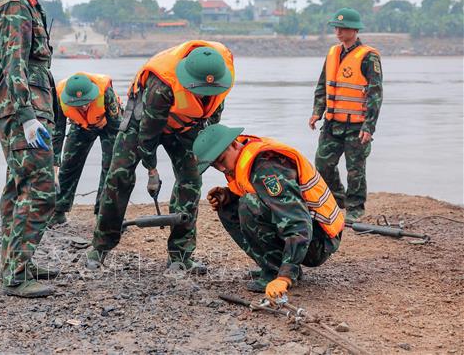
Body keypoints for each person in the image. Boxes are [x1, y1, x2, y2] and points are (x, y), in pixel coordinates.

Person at [86, 41, 235, 273]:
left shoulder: (220, 75)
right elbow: (148, 135)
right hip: (142, 121)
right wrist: (152, 171)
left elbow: (212, 116)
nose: (205, 94)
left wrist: (205, 149)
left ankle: (180, 255)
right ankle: (100, 247)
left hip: (186, 125)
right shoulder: (162, 85)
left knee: (191, 180)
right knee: (119, 177)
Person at [0, 0, 72, 298]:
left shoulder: (30, 6)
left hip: (32, 109)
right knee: (41, 191)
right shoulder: (15, 6)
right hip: (24, 111)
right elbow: (14, 62)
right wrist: (26, 116)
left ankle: (17, 262)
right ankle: (16, 273)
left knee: (19, 187)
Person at [193, 124, 344, 299]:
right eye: (214, 165)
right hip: (310, 234)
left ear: (234, 144)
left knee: (248, 205)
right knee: (230, 207)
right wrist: (228, 196)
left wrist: (285, 276)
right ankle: (272, 266)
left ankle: (277, 272)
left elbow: (298, 222)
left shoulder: (266, 167)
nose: (221, 168)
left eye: (221, 160)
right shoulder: (245, 158)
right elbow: (261, 195)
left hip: (319, 241)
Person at [309, 8, 383, 221]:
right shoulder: (333, 53)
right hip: (332, 124)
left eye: (343, 28)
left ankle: (355, 208)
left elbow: (375, 94)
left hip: (357, 126)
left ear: (354, 30)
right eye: (337, 27)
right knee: (322, 164)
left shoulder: (369, 56)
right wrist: (317, 112)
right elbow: (323, 86)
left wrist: (369, 127)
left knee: (355, 169)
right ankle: (338, 197)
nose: (338, 32)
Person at [48, 72, 123, 226]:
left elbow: (117, 129)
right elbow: (58, 131)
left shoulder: (105, 92)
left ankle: (104, 214)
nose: (83, 106)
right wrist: (54, 164)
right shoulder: (59, 95)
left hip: (108, 123)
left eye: (86, 102)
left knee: (110, 166)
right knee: (68, 165)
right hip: (81, 125)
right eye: (78, 104)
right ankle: (58, 211)